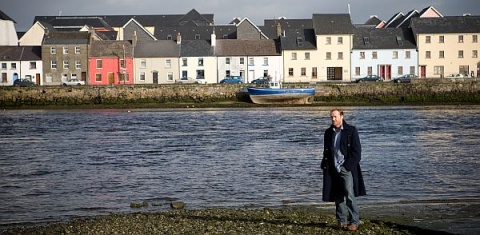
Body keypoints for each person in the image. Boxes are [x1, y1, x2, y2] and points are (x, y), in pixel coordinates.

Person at [321, 108, 366, 231]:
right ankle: (341, 221)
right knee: (338, 195)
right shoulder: (328, 132)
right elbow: (327, 151)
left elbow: (357, 153)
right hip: (333, 168)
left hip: (346, 168)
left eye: (335, 117)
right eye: (331, 117)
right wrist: (325, 164)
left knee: (349, 194)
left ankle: (354, 222)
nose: (333, 119)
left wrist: (346, 167)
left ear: (342, 116)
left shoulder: (351, 131)